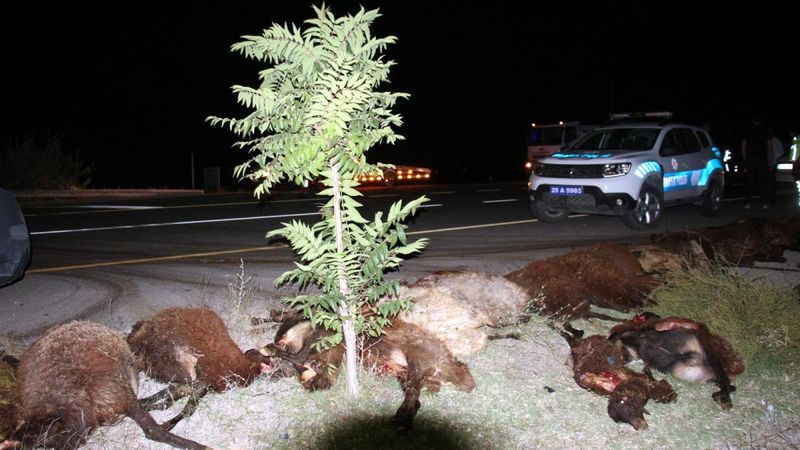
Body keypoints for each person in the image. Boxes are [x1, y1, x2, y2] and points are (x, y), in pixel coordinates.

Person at [740, 112, 774, 209]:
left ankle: (748, 203)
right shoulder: (766, 130)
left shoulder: (747, 130)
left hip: (750, 159)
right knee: (762, 181)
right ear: (761, 120)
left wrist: (745, 159)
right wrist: (770, 159)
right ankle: (764, 203)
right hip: (762, 159)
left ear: (752, 120)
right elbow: (769, 147)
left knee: (749, 181)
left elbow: (743, 146)